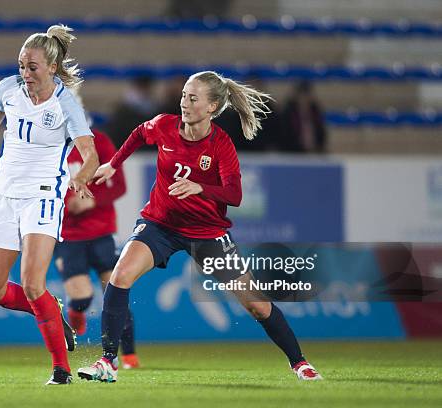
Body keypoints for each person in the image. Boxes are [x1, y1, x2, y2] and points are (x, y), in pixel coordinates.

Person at [77, 71, 322, 382]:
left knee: (258, 306)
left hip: (207, 233)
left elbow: (234, 195)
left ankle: (299, 362)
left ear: (212, 107)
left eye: (193, 98)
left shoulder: (221, 145)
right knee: (120, 275)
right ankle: (107, 362)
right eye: (183, 96)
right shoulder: (165, 125)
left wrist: (200, 188)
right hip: (159, 224)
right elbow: (140, 133)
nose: (184, 103)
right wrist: (114, 162)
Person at [0, 24, 99, 385]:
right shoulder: (8, 90)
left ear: (51, 67)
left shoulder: (66, 105)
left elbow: (90, 154)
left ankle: (61, 370)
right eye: (21, 66)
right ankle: (51, 309)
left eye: (32, 67)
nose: (25, 74)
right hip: (1, 194)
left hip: (43, 197)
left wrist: (80, 178)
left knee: (32, 284)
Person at [55, 127, 140, 369]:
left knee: (116, 292)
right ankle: (76, 309)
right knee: (82, 295)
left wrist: (93, 201)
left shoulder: (99, 141)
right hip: (67, 235)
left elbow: (119, 185)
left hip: (102, 232)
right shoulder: (49, 142)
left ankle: (129, 356)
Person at [281, 80, 327, 153]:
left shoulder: (315, 112)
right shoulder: (288, 113)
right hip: (293, 153)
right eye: (302, 96)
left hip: (314, 152)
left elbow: (321, 133)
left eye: (306, 95)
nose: (304, 99)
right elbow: (285, 136)